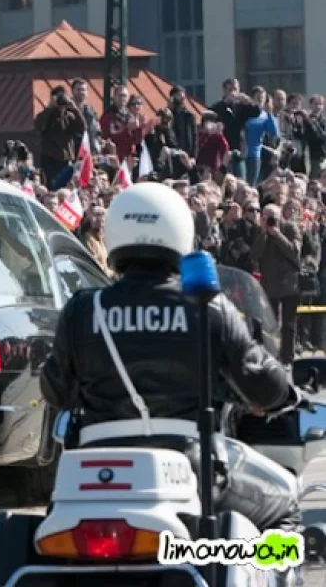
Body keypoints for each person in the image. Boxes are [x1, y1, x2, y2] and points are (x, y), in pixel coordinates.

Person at [40, 182, 304, 532]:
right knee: (285, 501)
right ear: (180, 231)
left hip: (95, 472)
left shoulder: (83, 309)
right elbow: (265, 389)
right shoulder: (208, 308)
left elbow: (55, 391)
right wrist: (287, 394)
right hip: (190, 465)